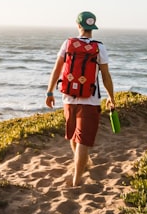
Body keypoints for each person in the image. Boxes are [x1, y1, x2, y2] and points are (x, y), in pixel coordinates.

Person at [45, 11, 116, 186]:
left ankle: (81, 163)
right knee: (83, 140)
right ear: (93, 28)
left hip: (68, 97)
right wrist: (111, 97)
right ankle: (77, 179)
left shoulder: (68, 43)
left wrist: (49, 92)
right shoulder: (99, 47)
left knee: (73, 137)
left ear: (78, 25)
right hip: (90, 100)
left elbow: (57, 69)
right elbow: (106, 76)